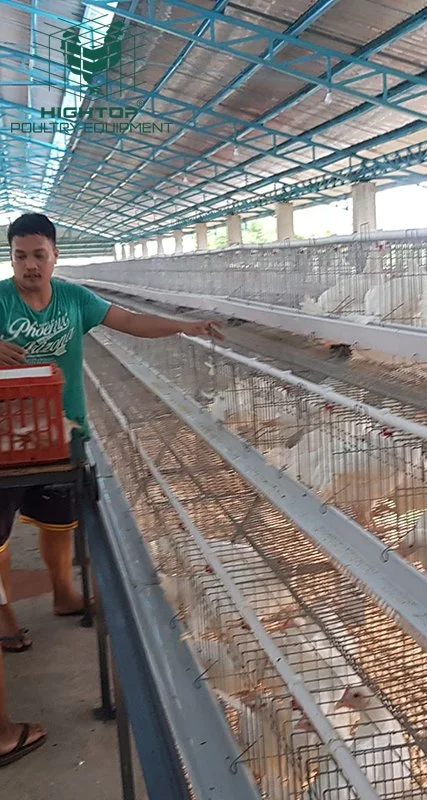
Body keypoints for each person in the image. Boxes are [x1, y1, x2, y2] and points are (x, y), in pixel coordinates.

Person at [0, 212, 222, 767]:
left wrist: (181, 325)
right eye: (20, 255)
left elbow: (127, 320)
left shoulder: (74, 299)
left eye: (38, 255)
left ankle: (63, 591)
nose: (29, 265)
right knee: (0, 539)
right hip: (8, 442)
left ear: (55, 256)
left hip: (65, 434)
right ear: (11, 257)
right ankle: (5, 619)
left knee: (60, 524)